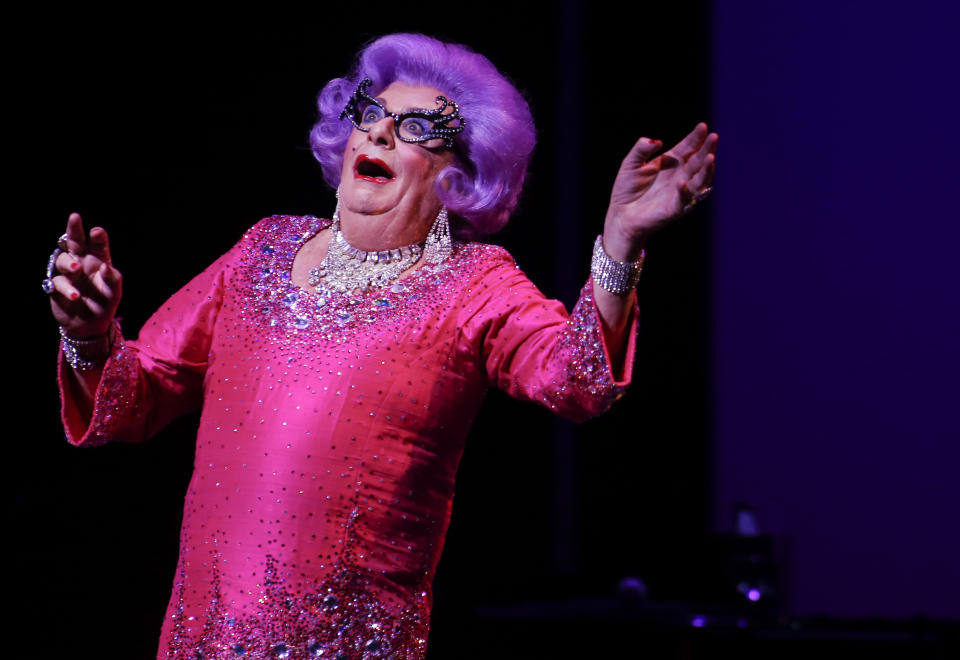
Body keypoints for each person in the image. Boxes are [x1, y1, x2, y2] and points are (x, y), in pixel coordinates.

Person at [47, 33, 716, 660]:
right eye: (371, 113)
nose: (379, 131)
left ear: (461, 174)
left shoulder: (474, 285)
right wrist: (87, 332)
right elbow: (126, 403)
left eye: (419, 128)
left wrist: (621, 244)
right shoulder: (263, 249)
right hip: (203, 638)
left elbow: (580, 379)